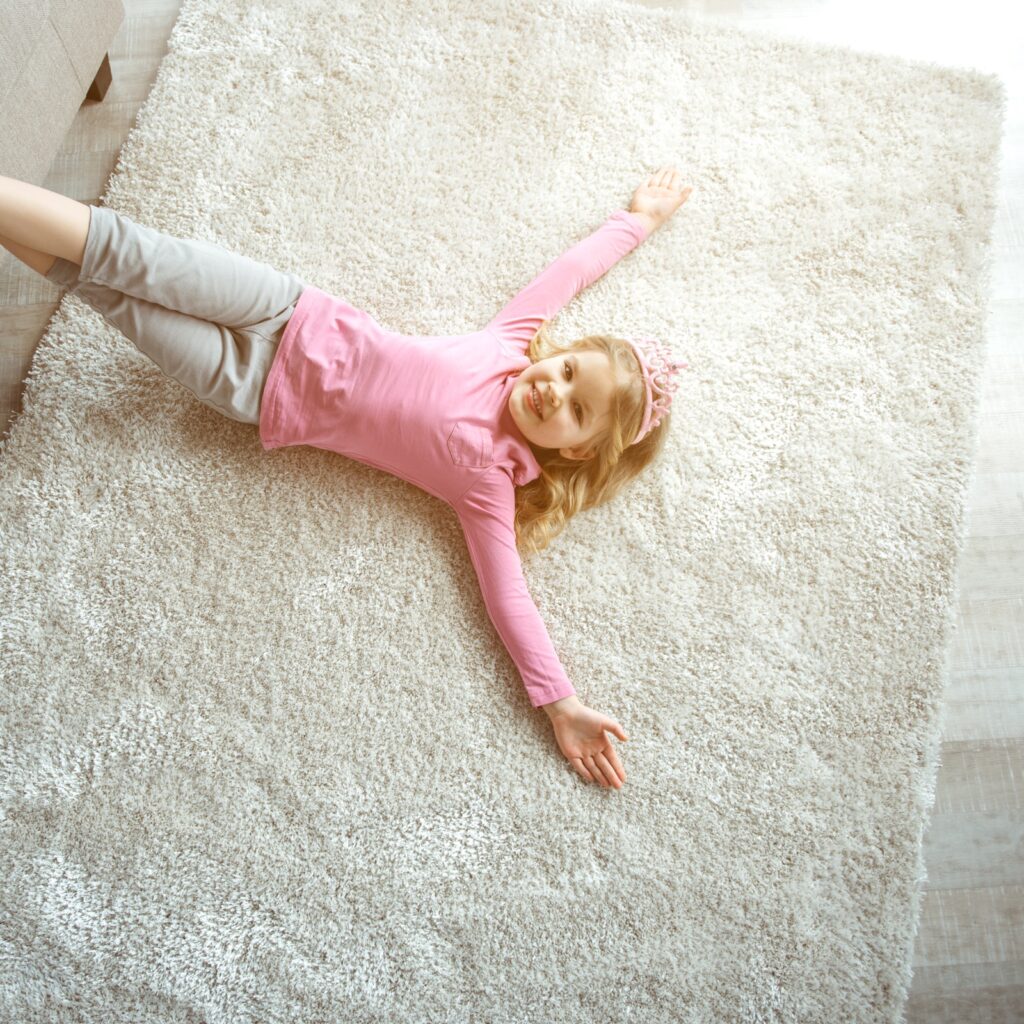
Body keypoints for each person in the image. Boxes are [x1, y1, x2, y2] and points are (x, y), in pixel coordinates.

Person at [0, 166, 694, 791]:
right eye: (568, 370)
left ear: (576, 454)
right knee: (130, 253)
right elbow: (567, 274)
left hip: (254, 391)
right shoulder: (510, 344)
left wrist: (561, 702)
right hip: (286, 309)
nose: (554, 391)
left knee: (101, 290)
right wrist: (636, 221)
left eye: (576, 411)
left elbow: (509, 597)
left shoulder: (487, 485)